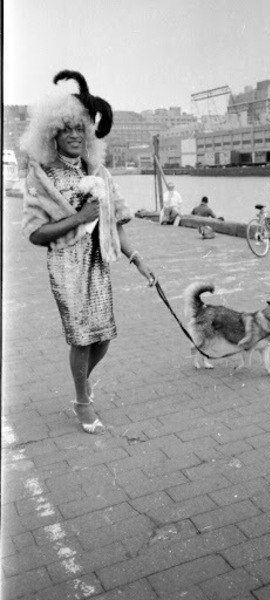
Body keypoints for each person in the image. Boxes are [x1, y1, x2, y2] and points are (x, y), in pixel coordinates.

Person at [20, 70, 156, 434]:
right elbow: (35, 234)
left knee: (104, 338)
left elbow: (118, 224)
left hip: (97, 263)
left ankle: (81, 383)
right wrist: (79, 217)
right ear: (53, 134)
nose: (76, 135)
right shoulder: (42, 176)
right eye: (68, 130)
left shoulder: (100, 172)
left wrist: (139, 260)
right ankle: (82, 400)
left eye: (81, 129)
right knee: (81, 337)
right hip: (65, 263)